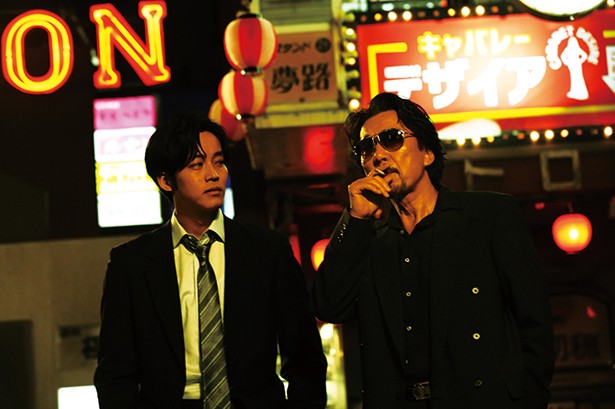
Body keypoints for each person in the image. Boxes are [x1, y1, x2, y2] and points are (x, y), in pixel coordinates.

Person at [312, 92, 554, 409]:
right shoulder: (369, 240)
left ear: (427, 153)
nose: (378, 156)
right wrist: (355, 219)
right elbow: (329, 307)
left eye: (391, 139)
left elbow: (535, 323)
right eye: (366, 149)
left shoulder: (488, 216)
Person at [94, 112, 327, 409]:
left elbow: (305, 355)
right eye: (197, 164)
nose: (213, 174)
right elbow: (115, 373)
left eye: (219, 162)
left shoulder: (269, 251)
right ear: (166, 180)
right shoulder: (131, 264)